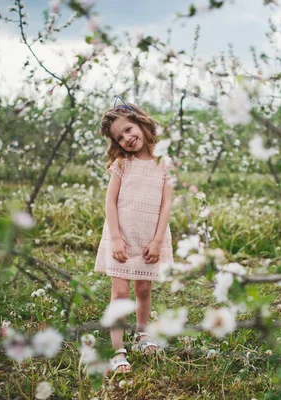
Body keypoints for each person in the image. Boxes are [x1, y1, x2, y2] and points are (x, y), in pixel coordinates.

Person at [94, 97, 174, 373]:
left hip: (150, 238)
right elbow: (109, 202)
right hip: (122, 238)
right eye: (120, 137)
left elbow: (166, 205)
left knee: (143, 290)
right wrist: (116, 238)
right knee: (120, 292)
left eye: (129, 129)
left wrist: (157, 240)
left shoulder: (164, 162)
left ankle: (142, 333)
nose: (127, 138)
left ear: (140, 123)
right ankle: (117, 350)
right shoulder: (122, 164)